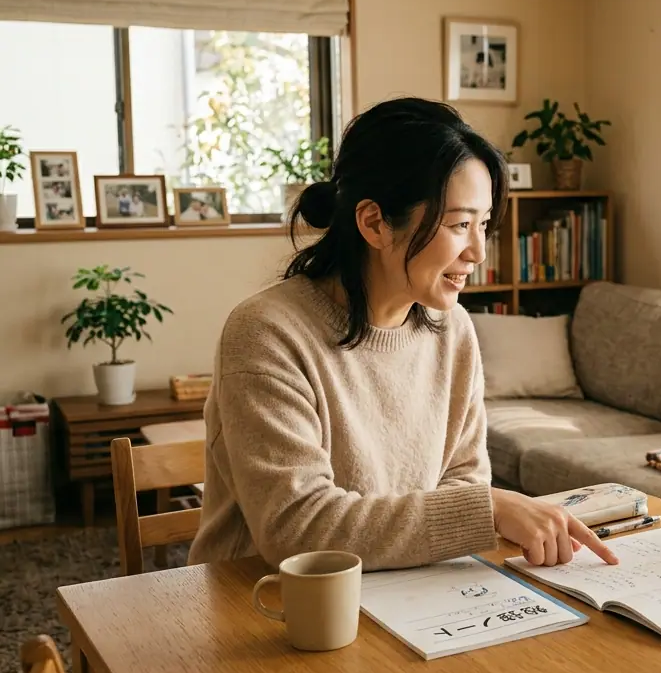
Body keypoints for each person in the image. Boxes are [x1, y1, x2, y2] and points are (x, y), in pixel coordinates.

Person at [188, 97, 618, 571]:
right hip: (262, 606)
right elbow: (298, 528)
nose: (478, 251)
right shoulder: (267, 333)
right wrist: (489, 509)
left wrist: (473, 507)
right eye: (458, 224)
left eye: (485, 225)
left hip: (402, 592)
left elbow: (462, 477)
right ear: (374, 222)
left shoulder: (452, 331)